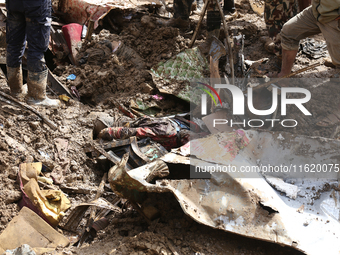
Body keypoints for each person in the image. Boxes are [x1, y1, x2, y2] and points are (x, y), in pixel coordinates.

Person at [6, 0, 60, 107]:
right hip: (36, 5)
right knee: (37, 48)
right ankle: (36, 97)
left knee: (14, 45)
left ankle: (15, 90)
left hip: (14, 4)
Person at [277, 0, 340, 78]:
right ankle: (284, 75)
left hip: (334, 17)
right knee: (288, 32)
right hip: (317, 11)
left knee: (338, 61)